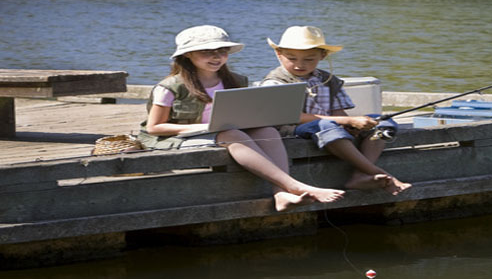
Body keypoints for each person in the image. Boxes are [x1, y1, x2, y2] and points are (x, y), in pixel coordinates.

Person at [139, 24, 345, 211]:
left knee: (266, 130)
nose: (216, 57)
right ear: (187, 55)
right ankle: (293, 185)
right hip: (175, 138)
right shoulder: (169, 87)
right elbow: (154, 128)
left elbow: (246, 114)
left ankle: (280, 193)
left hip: (223, 132)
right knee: (231, 134)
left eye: (222, 51)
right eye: (206, 52)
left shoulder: (235, 80)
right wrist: (204, 128)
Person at [258, 25, 411, 195]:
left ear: (322, 56)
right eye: (291, 58)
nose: (299, 64)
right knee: (327, 126)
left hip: (330, 125)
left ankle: (359, 175)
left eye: (309, 59)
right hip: (292, 129)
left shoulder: (329, 80)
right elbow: (292, 116)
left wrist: (350, 125)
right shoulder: (275, 82)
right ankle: (379, 172)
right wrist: (345, 121)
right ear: (279, 55)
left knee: (381, 122)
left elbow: (338, 113)